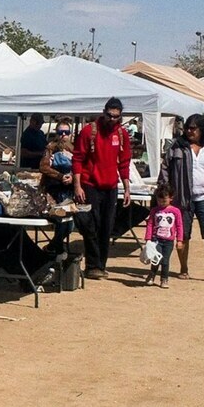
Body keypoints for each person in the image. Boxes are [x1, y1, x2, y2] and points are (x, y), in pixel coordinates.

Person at [159, 112, 204, 282]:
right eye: (187, 128)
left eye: (193, 128)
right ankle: (183, 269)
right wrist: (164, 192)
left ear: (202, 129)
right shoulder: (177, 146)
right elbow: (165, 169)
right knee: (183, 235)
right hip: (182, 199)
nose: (189, 131)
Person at [72, 97, 132, 279]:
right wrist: (77, 186)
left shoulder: (121, 134)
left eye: (116, 117)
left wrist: (127, 188)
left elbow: (124, 162)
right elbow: (77, 159)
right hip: (90, 185)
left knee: (107, 227)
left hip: (111, 187)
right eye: (109, 115)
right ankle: (92, 265)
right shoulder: (89, 131)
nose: (112, 119)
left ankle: (100, 265)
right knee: (90, 225)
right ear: (103, 112)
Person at [143, 184, 182, 288]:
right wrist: (148, 238)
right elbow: (150, 224)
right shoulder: (154, 210)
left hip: (169, 241)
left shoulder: (175, 211)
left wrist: (179, 240)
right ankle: (152, 275)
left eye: (164, 201)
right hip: (156, 239)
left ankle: (164, 278)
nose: (161, 203)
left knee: (165, 261)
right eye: (159, 201)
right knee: (156, 259)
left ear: (170, 198)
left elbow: (179, 226)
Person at [38, 117, 77, 202]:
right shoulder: (50, 148)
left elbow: (80, 167)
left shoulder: (75, 149)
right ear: (56, 133)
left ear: (70, 134)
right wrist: (60, 176)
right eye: (60, 132)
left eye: (66, 132)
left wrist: (72, 177)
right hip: (52, 186)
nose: (63, 134)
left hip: (70, 186)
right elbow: (43, 167)